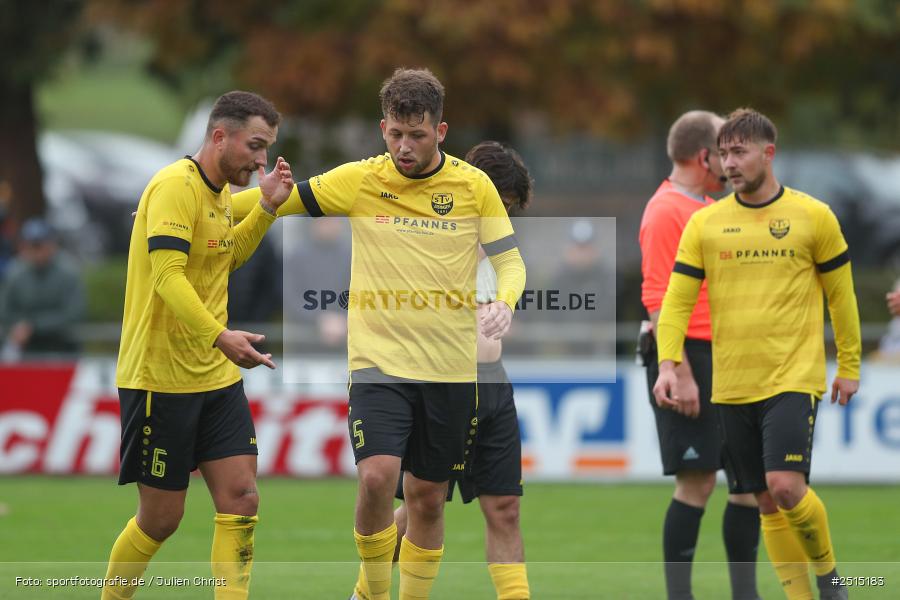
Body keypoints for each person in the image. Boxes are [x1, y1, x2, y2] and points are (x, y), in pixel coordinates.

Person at [232, 68, 526, 599]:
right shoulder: (362, 179)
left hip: (450, 370)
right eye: (394, 133)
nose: (403, 146)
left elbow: (511, 263)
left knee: (428, 499)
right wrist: (193, 208)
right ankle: (372, 591)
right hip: (378, 363)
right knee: (375, 477)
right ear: (382, 127)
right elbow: (276, 201)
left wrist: (504, 302)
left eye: (416, 135)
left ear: (440, 131)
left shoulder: (472, 185)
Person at [654, 108, 861, 600]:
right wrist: (668, 363)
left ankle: (831, 579)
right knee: (766, 502)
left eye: (740, 152)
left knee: (786, 486)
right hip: (732, 384)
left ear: (769, 153)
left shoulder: (814, 216)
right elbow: (676, 300)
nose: (730, 163)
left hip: (793, 379)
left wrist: (850, 365)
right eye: (723, 153)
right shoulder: (706, 223)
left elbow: (842, 297)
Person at [101, 90, 294, 600]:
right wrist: (219, 334)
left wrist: (268, 209)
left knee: (242, 498)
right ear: (218, 136)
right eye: (255, 145)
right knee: (161, 519)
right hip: (159, 379)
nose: (261, 159)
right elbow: (167, 276)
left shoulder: (220, 197)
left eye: (267, 147)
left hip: (216, 377)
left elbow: (225, 259)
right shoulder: (173, 187)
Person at [350, 140, 533, 600]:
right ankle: (367, 592)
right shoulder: (425, 237)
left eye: (510, 209)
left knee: (505, 507)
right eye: (502, 204)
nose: (502, 217)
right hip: (443, 382)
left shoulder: (496, 251)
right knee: (422, 502)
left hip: (493, 385)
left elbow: (507, 284)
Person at [638, 111, 760, 600]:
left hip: (728, 357)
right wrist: (679, 370)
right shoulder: (666, 210)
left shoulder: (708, 209)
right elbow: (658, 295)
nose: (730, 164)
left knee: (747, 484)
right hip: (689, 354)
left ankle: (745, 593)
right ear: (704, 156)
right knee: (697, 482)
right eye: (725, 153)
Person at [0, 217, 85, 359]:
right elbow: (5, 311)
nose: (36, 251)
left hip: (63, 347)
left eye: (40, 245)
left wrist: (34, 326)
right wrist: (18, 325)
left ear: (52, 244)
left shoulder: (68, 271)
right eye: (32, 245)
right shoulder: (15, 272)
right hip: (25, 349)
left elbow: (74, 313)